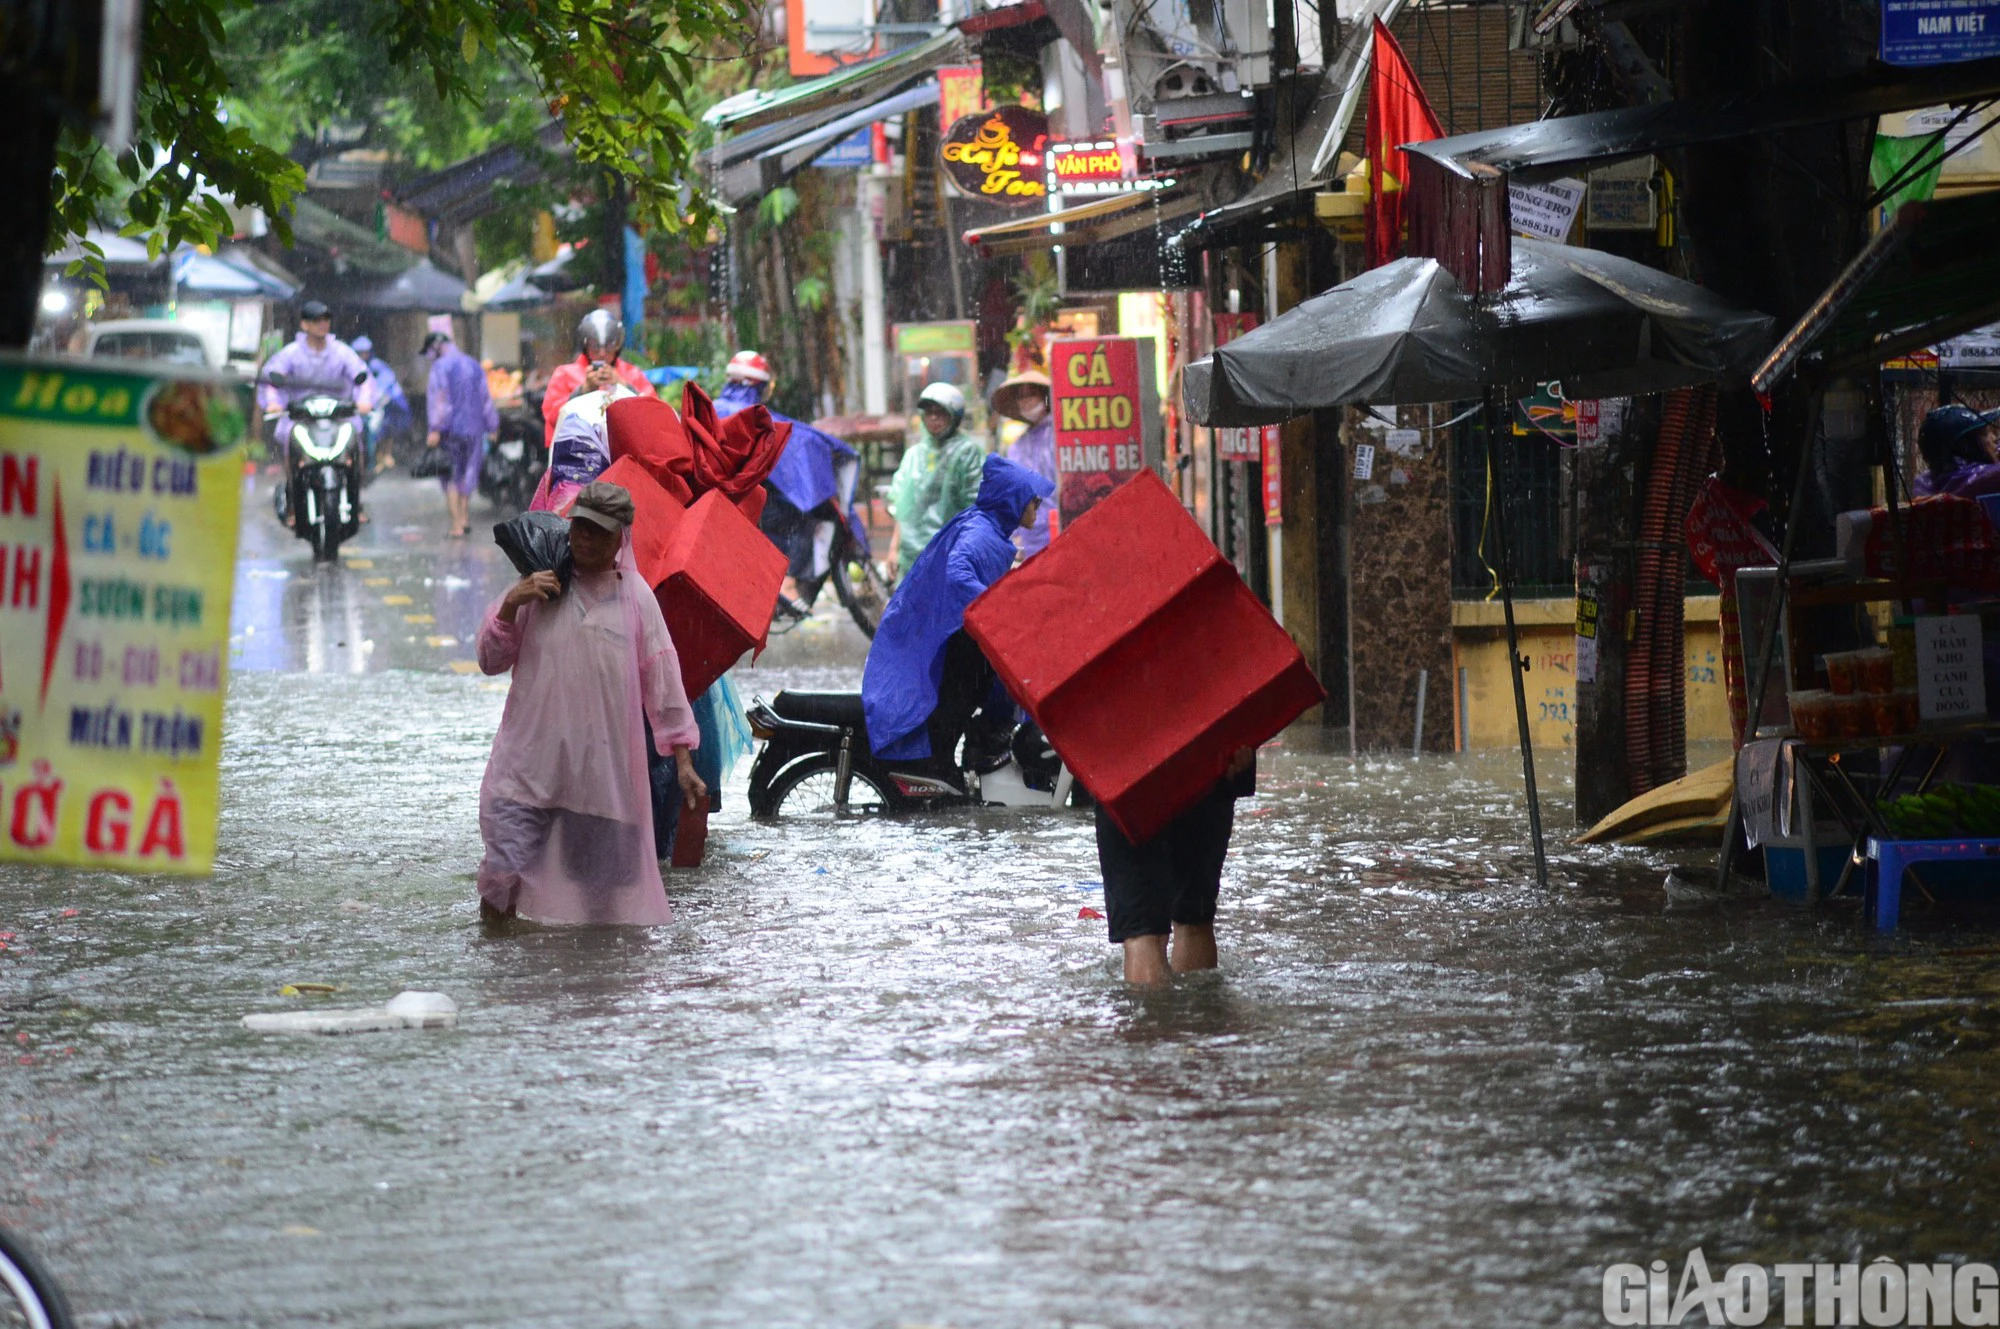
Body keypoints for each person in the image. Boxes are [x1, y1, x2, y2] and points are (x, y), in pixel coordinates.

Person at [475, 481, 705, 925]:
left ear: (621, 537)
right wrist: (510, 603)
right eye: (578, 528)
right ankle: (502, 978)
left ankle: (596, 989)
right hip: (527, 770)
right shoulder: (540, 585)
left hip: (602, 778)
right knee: (502, 878)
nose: (584, 539)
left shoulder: (637, 599)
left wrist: (683, 761)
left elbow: (663, 680)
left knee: (603, 900)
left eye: (598, 532)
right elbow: (489, 660)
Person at [862, 453, 1052, 787]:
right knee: (963, 696)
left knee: (970, 697)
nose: (1037, 507)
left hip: (954, 635)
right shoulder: (980, 532)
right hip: (952, 639)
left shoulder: (989, 528)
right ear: (1013, 500)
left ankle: (955, 764)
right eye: (1033, 501)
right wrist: (991, 605)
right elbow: (959, 571)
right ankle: (942, 768)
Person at [1097, 745, 1258, 986]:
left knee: (1143, 932)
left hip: (1124, 752)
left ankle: (1155, 1019)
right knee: (1194, 917)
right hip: (1212, 749)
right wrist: (1246, 734)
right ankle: (1192, 1020)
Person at [258, 300, 373, 463]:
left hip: (338, 416)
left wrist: (364, 400)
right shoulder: (291, 353)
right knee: (291, 442)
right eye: (316, 320)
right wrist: (273, 403)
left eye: (326, 319)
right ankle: (293, 482)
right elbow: (271, 378)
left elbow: (363, 377)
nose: (322, 324)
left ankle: (354, 481)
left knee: (353, 441)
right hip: (301, 417)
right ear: (304, 325)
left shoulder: (342, 351)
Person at [887, 382, 980, 575]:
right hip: (912, 558)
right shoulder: (914, 455)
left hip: (950, 554)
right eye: (929, 413)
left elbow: (976, 507)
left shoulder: (966, 452)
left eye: (941, 413)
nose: (934, 418)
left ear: (954, 416)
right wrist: (893, 550)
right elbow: (902, 509)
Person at [422, 330, 500, 538]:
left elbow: (440, 400)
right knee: (469, 473)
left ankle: (456, 524)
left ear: (435, 348)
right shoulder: (473, 364)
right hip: (474, 428)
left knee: (450, 476)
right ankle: (465, 518)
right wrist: (492, 425)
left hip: (451, 431)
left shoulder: (440, 367)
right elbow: (485, 398)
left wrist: (436, 428)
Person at [540, 309, 656, 447]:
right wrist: (583, 390)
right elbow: (553, 417)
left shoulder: (632, 374)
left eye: (609, 346)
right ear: (585, 346)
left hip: (624, 453)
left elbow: (654, 412)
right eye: (595, 346)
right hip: (577, 454)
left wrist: (624, 385)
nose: (602, 353)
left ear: (618, 346)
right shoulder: (564, 374)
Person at [991, 370, 1055, 557]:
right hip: (1031, 541)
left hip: (1062, 532)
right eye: (1021, 397)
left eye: (1031, 395)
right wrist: (1014, 535)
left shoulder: (1060, 437)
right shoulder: (1017, 447)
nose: (1026, 401)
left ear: (1044, 397)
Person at [350, 335, 411, 474]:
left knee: (381, 431)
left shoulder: (376, 366)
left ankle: (379, 459)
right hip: (362, 407)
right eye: (359, 352)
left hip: (382, 405)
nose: (362, 355)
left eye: (365, 352)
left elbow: (385, 386)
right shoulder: (353, 366)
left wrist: (374, 401)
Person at [1914, 404, 2000, 499]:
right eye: (1985, 433)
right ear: (1966, 446)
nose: (1994, 438)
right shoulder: (1977, 481)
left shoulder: (1929, 482)